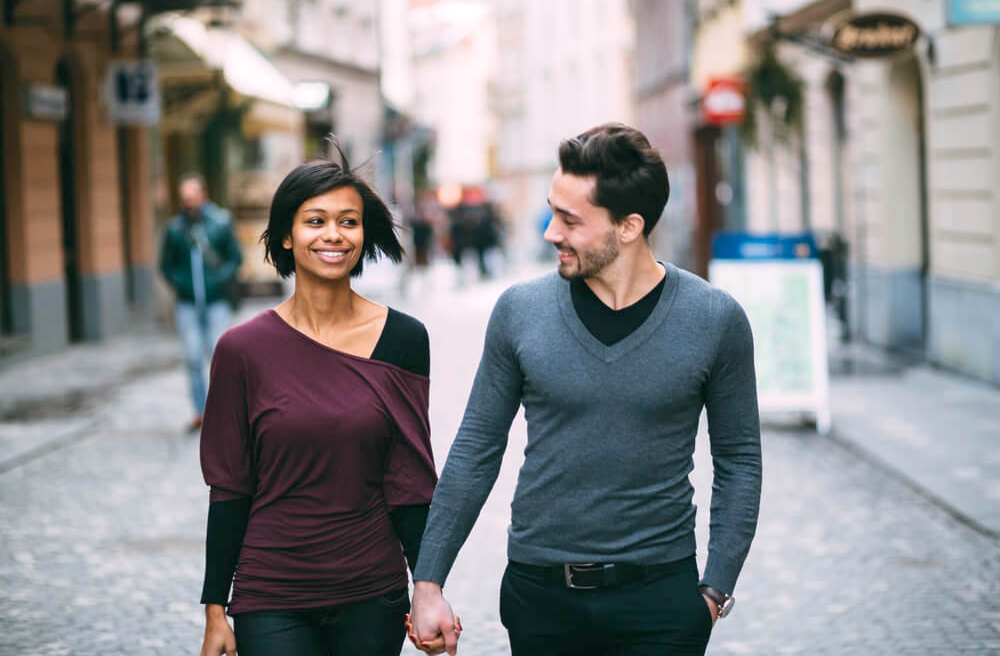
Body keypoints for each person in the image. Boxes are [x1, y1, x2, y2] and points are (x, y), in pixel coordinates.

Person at [408, 123, 762, 656]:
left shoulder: (714, 319)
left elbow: (739, 462)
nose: (551, 232)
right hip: (541, 597)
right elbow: (476, 448)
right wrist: (428, 581)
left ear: (628, 227)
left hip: (660, 599)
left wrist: (714, 590)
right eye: (553, 211)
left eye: (570, 220)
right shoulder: (519, 312)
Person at [197, 143, 441, 656]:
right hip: (271, 592)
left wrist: (428, 587)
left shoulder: (404, 339)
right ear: (287, 234)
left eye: (348, 222)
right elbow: (229, 487)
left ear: (363, 234)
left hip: (371, 591)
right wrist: (215, 609)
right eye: (315, 220)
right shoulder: (241, 350)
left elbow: (410, 481)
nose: (333, 234)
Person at [159, 173, 243, 431]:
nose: (189, 201)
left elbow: (235, 258)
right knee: (193, 357)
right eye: (185, 197)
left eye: (193, 196)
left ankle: (223, 410)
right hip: (187, 304)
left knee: (219, 355)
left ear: (203, 195)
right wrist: (181, 283)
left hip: (217, 301)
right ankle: (201, 411)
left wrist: (220, 279)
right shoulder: (174, 229)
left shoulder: (220, 222)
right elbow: (166, 265)